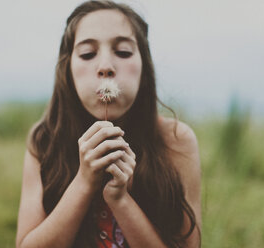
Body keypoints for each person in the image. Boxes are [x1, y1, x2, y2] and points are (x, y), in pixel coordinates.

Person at [15, 1, 201, 247]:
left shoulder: (175, 140)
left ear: (144, 69)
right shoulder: (45, 140)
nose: (105, 67)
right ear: (67, 70)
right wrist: (84, 181)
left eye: (123, 52)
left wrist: (120, 199)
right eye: (87, 54)